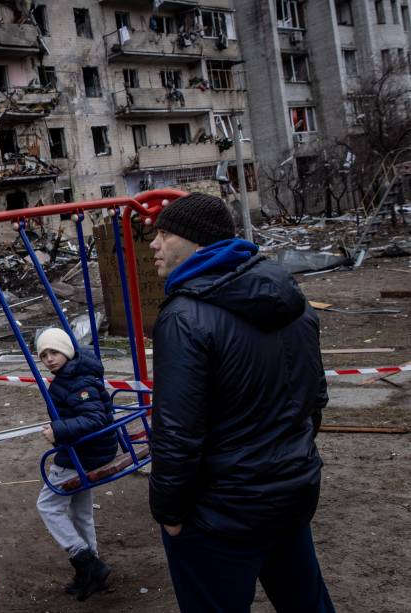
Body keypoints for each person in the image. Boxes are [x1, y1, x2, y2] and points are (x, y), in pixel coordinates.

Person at [148, 192, 335, 612]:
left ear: (196, 242)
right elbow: (314, 400)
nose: (153, 244)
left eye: (164, 233)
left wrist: (169, 513)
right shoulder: (293, 299)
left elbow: (177, 433)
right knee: (307, 603)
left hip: (220, 514)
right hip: (290, 495)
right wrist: (290, 462)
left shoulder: (185, 316)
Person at [35, 327, 117, 601]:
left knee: (48, 505)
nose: (49, 359)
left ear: (67, 351)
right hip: (93, 449)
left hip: (85, 453)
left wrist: (59, 431)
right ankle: (91, 574)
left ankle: (86, 561)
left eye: (54, 352)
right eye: (44, 355)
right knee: (81, 511)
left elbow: (95, 419)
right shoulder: (75, 375)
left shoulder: (77, 382)